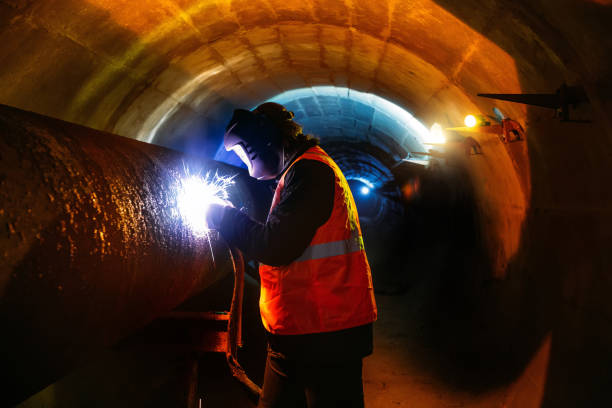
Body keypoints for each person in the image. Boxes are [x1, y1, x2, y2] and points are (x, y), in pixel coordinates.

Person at [206, 102, 377, 408]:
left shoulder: (311, 173)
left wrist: (226, 217)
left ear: (266, 143)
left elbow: (277, 246)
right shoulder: (300, 171)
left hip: (326, 333)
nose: (247, 161)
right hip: (301, 331)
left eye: (246, 152)